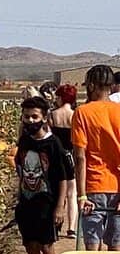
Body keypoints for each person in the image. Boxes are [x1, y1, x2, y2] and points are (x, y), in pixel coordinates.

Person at [71, 63, 120, 254]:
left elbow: (80, 157)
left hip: (93, 186)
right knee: (116, 245)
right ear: (111, 86)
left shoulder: (83, 113)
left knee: (92, 244)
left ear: (91, 85)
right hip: (117, 187)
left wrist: (81, 195)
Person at [14, 95, 72, 254]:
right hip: (27, 203)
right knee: (31, 246)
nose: (30, 120)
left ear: (44, 118)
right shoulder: (25, 141)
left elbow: (63, 178)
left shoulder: (53, 144)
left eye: (34, 116)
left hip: (47, 204)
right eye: (26, 117)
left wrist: (60, 207)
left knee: (46, 245)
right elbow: (21, 170)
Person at [50, 83, 78, 238]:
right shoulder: (75, 115)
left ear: (61, 97)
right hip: (70, 156)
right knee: (72, 193)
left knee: (56, 190)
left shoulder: (53, 115)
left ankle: (55, 223)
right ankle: (72, 228)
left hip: (55, 156)